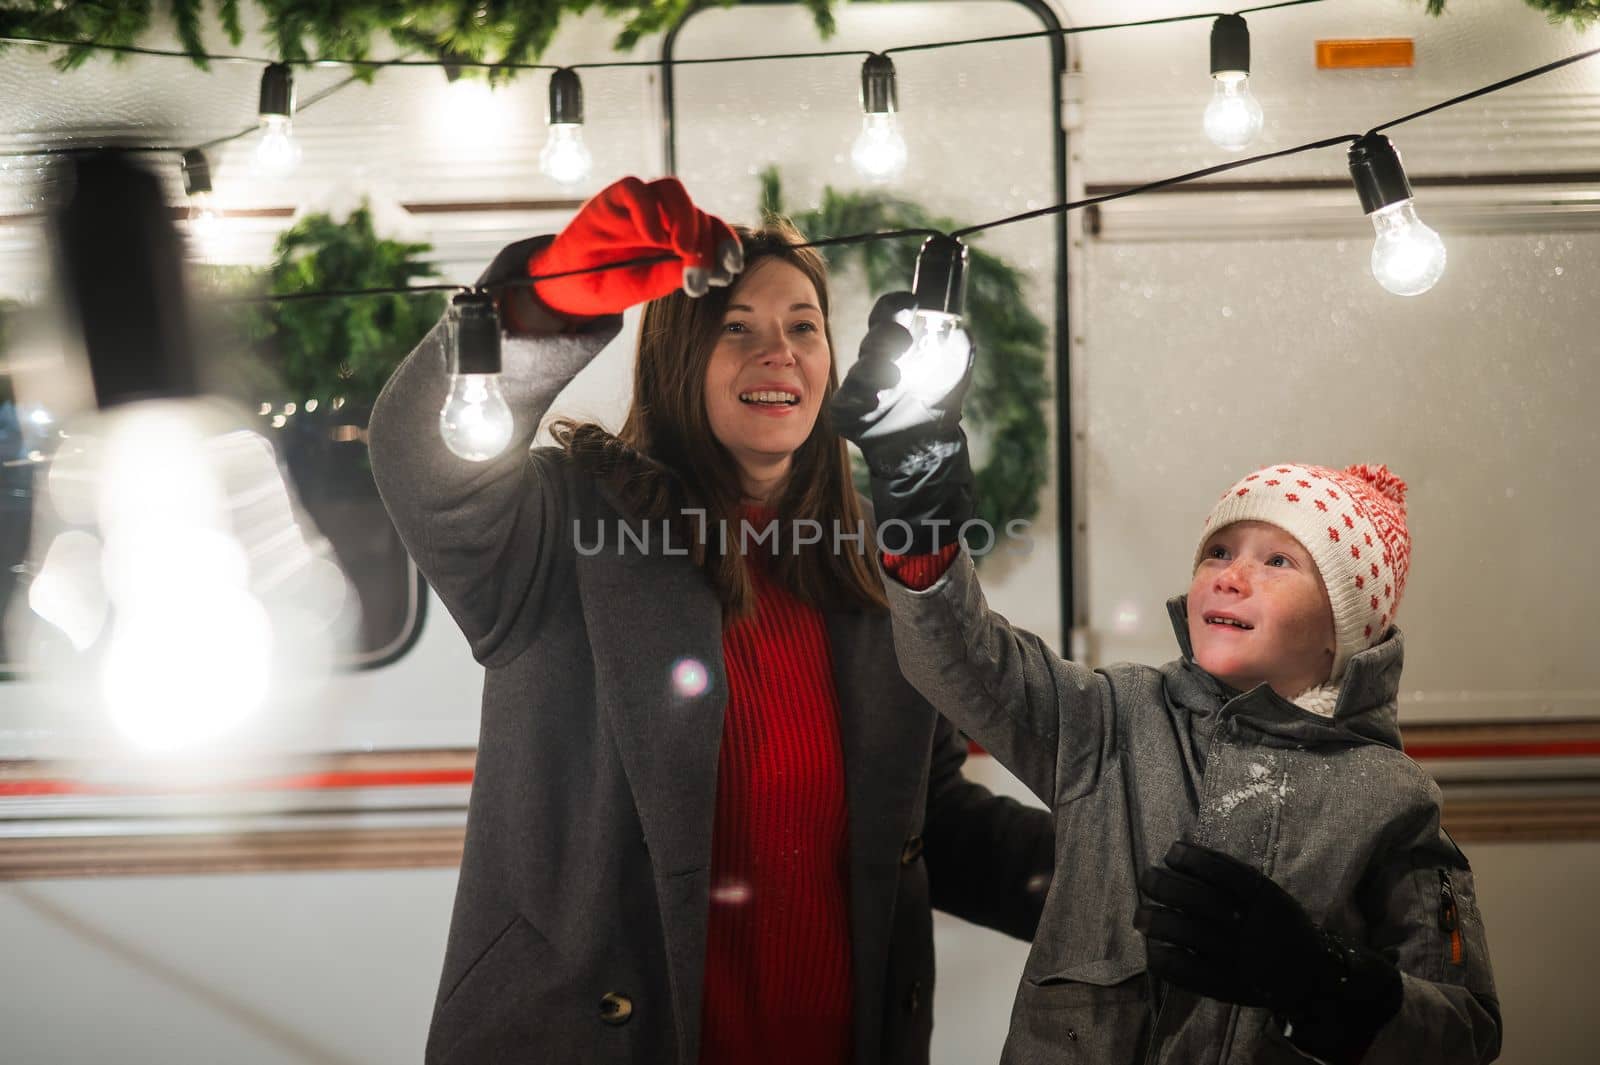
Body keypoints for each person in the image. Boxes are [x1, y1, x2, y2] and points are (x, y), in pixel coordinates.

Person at [367, 177, 1053, 1065]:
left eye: (804, 326)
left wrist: (1122, 865)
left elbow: (921, 823)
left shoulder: (878, 573)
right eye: (738, 327)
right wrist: (543, 304)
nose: (781, 353)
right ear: (679, 355)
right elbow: (424, 462)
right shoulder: (563, 533)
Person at [831, 293, 1501, 1064]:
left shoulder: (1392, 799)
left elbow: (1466, 1029)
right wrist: (918, 525)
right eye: (1218, 552)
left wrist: (1323, 982)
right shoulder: (1114, 718)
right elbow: (964, 658)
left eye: (1277, 560)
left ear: (1343, 630)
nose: (1231, 576)